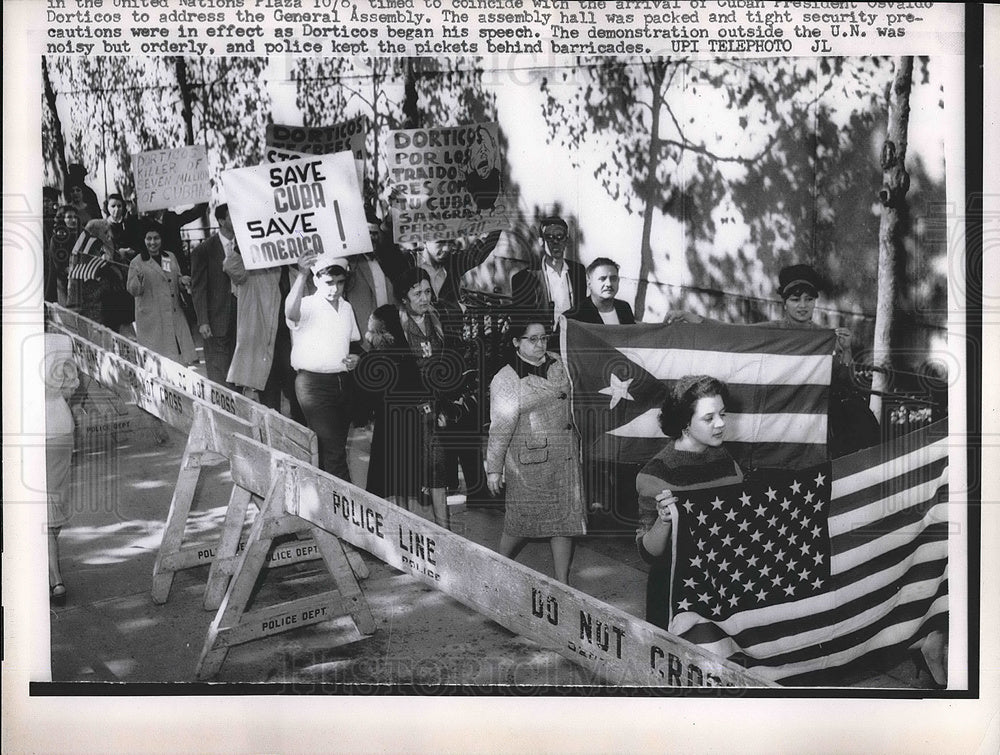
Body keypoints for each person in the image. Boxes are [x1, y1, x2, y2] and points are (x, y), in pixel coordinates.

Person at [635, 375, 744, 630]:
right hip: (675, 594)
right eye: (709, 418)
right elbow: (648, 553)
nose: (720, 424)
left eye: (722, 414)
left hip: (721, 585)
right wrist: (663, 521)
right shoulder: (656, 473)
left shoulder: (726, 460)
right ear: (685, 422)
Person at [486, 319, 586, 584]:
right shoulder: (506, 379)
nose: (540, 344)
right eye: (532, 339)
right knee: (520, 523)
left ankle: (562, 583)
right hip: (531, 462)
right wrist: (494, 469)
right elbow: (500, 427)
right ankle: (498, 566)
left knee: (564, 522)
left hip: (565, 458)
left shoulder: (557, 363)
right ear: (516, 342)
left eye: (543, 338)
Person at [752, 263, 879, 456]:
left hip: (817, 414)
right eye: (795, 300)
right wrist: (702, 324)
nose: (803, 306)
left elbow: (845, 381)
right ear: (784, 302)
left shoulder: (824, 336)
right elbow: (740, 334)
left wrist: (846, 350)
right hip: (781, 412)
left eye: (809, 299)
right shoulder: (772, 331)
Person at [392, 267, 475, 530]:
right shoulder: (395, 326)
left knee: (437, 468)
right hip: (405, 408)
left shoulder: (436, 321)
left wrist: (446, 401)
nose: (425, 298)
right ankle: (401, 531)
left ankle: (444, 531)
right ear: (404, 297)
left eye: (428, 291)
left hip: (434, 405)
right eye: (417, 293)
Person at [286, 251, 362, 480]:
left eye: (340, 282)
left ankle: (325, 499)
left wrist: (356, 360)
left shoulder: (346, 308)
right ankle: (347, 508)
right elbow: (291, 312)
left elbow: (353, 343)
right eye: (329, 282)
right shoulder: (307, 304)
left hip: (342, 384)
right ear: (316, 279)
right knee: (334, 452)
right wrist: (301, 275)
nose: (335, 288)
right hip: (313, 385)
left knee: (334, 447)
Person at [354, 304, 428, 511]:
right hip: (408, 422)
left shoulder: (372, 357)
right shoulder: (406, 355)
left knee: (388, 477)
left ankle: (398, 516)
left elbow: (365, 395)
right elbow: (417, 388)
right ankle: (406, 514)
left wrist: (364, 420)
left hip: (386, 424)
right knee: (406, 478)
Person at [224, 249, 303, 422]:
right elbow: (231, 267)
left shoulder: (297, 272)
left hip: (292, 343)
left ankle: (299, 435)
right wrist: (241, 246)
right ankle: (272, 437)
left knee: (296, 391)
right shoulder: (254, 271)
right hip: (263, 344)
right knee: (269, 394)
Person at [126, 220, 196, 364]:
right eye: (149, 239)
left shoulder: (169, 257)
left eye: (156, 238)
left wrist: (182, 281)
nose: (153, 242)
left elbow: (174, 279)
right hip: (152, 320)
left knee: (179, 358)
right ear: (143, 240)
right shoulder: (136, 262)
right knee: (158, 362)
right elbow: (133, 290)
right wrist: (138, 279)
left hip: (174, 314)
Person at [45, 334, 80, 606]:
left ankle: (54, 576)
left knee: (34, 504)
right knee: (53, 499)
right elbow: (71, 388)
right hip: (59, 426)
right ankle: (52, 568)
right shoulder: (61, 342)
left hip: (25, 429)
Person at [191, 204, 238, 386]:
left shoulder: (243, 245)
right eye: (232, 216)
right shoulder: (204, 250)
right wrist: (203, 320)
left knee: (237, 366)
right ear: (221, 221)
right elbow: (198, 288)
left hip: (240, 315)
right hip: (216, 317)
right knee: (218, 367)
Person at [511, 215, 587, 326]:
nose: (556, 241)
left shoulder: (578, 271)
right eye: (549, 237)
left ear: (566, 240)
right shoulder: (524, 278)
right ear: (541, 241)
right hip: (543, 339)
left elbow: (582, 310)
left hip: (572, 337)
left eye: (560, 236)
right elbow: (521, 322)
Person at [567, 257, 636, 325]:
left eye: (613, 278)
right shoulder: (574, 316)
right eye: (602, 279)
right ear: (589, 282)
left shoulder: (624, 308)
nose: (609, 284)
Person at [46, 204, 81, 305]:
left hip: (80, 277)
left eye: (75, 217)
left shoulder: (80, 234)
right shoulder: (57, 238)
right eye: (69, 217)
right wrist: (69, 270)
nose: (73, 220)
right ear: (62, 219)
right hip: (63, 278)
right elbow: (58, 263)